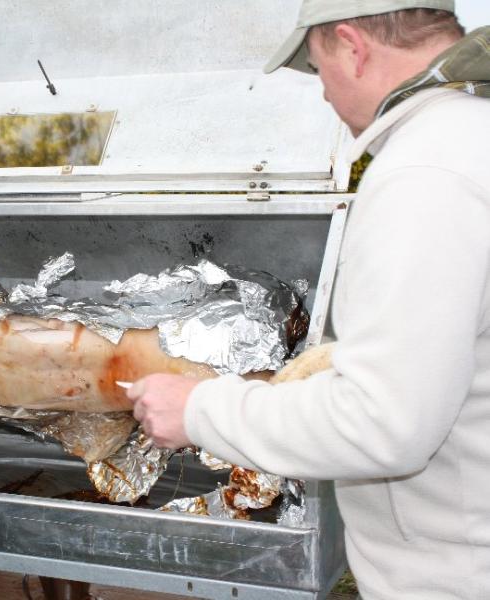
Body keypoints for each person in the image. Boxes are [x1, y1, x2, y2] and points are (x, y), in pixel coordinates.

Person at [128, 1, 490, 598]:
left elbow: (383, 425)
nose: (323, 93)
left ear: (352, 46)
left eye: (319, 69)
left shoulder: (426, 174)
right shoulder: (471, 137)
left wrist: (198, 410)